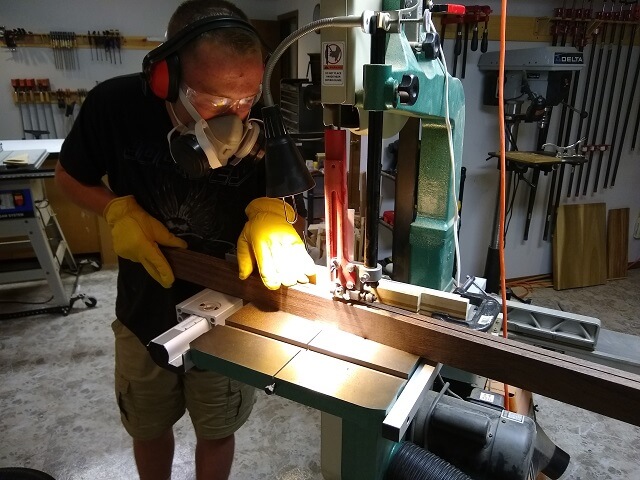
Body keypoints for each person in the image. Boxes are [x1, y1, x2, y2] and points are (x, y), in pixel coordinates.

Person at [54, 1, 315, 478]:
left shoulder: (265, 123)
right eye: (215, 101)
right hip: (142, 309)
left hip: (231, 314)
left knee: (217, 430)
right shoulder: (115, 107)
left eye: (246, 100)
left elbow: (296, 199)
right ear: (165, 80)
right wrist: (116, 209)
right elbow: (68, 178)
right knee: (148, 426)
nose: (235, 120)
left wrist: (276, 212)